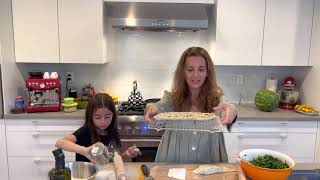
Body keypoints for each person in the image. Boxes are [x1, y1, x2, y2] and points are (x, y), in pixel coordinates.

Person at [144, 47, 238, 163]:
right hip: (174, 160)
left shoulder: (216, 99)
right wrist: (152, 108)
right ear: (183, 72)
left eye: (201, 69)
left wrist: (232, 109)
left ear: (207, 72)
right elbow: (158, 106)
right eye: (190, 70)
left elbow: (226, 111)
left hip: (209, 158)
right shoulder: (171, 99)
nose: (195, 75)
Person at [56, 93, 141, 162]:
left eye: (107, 117)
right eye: (97, 117)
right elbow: (59, 143)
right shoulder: (86, 131)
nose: (103, 122)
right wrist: (84, 150)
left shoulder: (113, 132)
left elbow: (111, 161)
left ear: (113, 115)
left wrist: (126, 155)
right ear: (90, 116)